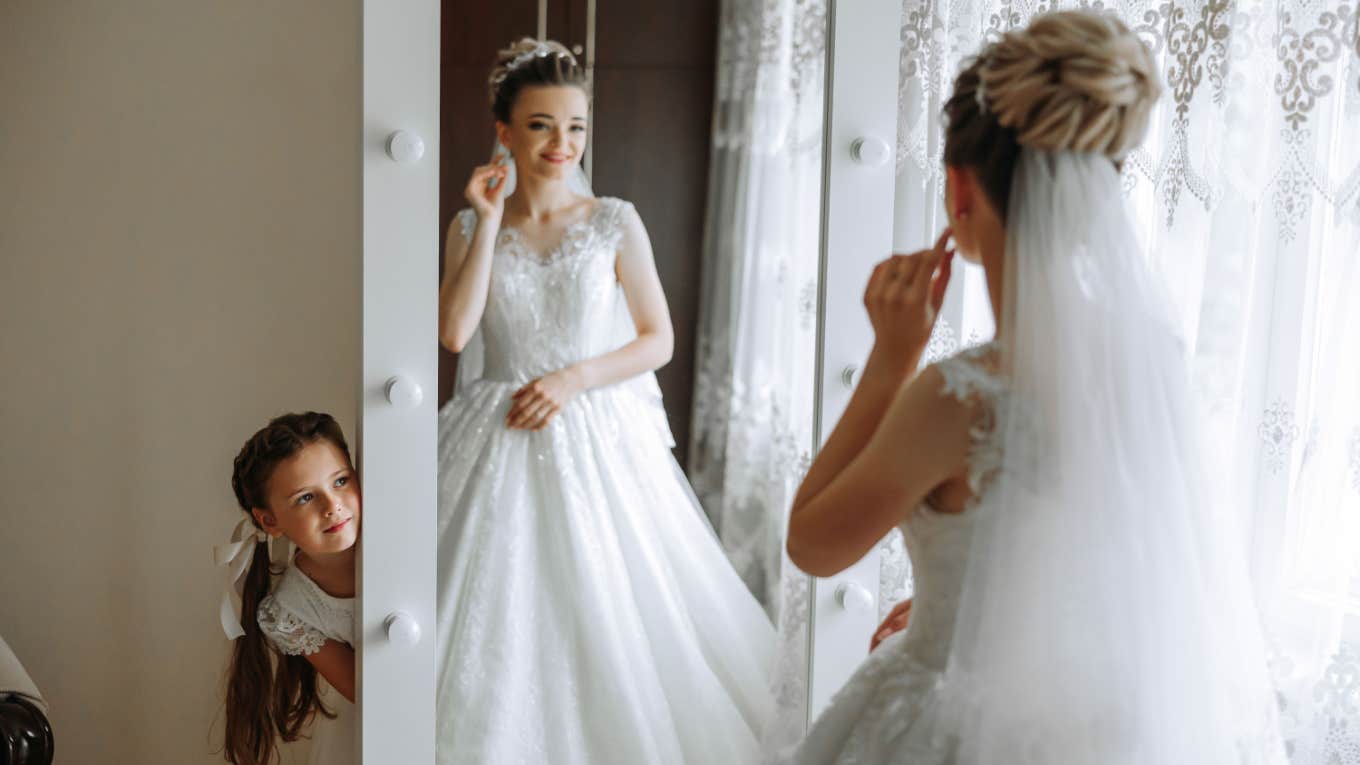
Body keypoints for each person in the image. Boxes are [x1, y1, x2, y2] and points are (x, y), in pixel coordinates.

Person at [783, 12, 1285, 763]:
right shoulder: (1154, 360)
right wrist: (980, 605)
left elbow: (815, 544)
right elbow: (1122, 559)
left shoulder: (958, 396)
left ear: (959, 190)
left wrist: (891, 361)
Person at [434, 38, 773, 764]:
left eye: (576, 126)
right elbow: (455, 333)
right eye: (540, 125)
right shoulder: (470, 224)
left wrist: (571, 379)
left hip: (596, 428)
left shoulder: (614, 219)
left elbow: (657, 340)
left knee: (619, 608)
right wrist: (487, 223)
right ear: (503, 130)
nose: (563, 143)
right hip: (496, 428)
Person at [217, 411, 358, 765]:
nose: (332, 506)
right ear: (269, 521)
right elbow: (364, 688)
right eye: (305, 498)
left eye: (340, 481)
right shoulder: (290, 611)